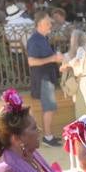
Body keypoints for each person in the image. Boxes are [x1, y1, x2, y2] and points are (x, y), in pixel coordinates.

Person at [25, 11, 66, 147]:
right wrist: (53, 58)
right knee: (48, 108)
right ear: (39, 25)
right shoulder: (35, 40)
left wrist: (55, 58)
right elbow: (31, 62)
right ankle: (47, 137)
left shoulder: (42, 38)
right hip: (43, 78)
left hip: (46, 77)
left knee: (50, 107)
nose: (50, 25)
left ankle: (48, 136)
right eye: (47, 23)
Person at [63, 27, 86, 117]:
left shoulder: (81, 49)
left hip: (83, 82)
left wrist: (66, 65)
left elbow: (78, 62)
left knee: (83, 112)